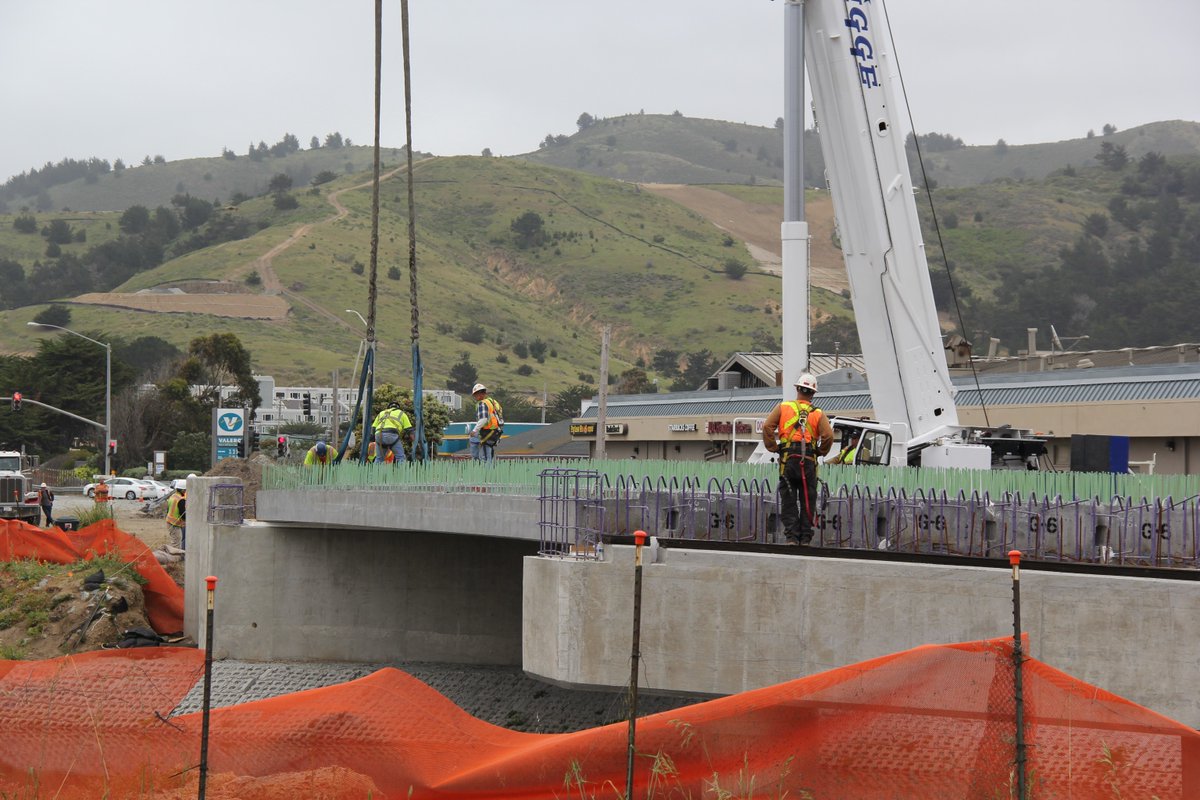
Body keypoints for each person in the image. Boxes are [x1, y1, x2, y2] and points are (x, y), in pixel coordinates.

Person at [762, 372, 833, 545]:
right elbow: (828, 436)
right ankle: (806, 538)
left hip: (788, 460)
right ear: (813, 393)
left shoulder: (783, 407)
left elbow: (767, 427)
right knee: (808, 498)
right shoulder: (818, 413)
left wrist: (774, 447)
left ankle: (792, 538)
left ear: (797, 389)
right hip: (808, 461)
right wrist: (820, 452)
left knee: (789, 499)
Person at [469, 383, 504, 462]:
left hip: (488, 431)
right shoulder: (491, 401)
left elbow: (483, 419)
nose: (475, 397)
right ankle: (485, 466)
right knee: (488, 453)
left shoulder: (482, 404)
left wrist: (474, 430)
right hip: (496, 431)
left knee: (484, 456)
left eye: (475, 395)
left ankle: (480, 465)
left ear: (479, 394)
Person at [165, 486, 187, 554]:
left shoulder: (173, 496)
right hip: (174, 524)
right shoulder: (181, 500)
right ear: (182, 490)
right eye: (185, 490)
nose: (185, 491)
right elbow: (183, 514)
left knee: (175, 541)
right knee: (176, 543)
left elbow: (168, 509)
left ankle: (173, 555)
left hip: (170, 522)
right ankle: (174, 557)